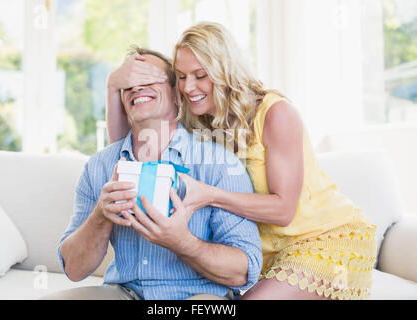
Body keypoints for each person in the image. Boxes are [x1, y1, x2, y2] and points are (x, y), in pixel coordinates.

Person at [106, 23, 377, 300]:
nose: (188, 88)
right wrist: (113, 85)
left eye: (201, 75)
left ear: (225, 72)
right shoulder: (198, 116)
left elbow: (284, 210)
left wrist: (209, 195)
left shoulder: (275, 113)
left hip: (326, 240)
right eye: (182, 76)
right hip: (268, 255)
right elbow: (127, 145)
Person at [43, 47, 262, 300]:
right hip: (124, 293)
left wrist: (182, 243)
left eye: (148, 80)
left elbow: (244, 271)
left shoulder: (218, 163)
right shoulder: (100, 167)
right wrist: (100, 217)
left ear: (177, 96)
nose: (136, 88)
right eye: (128, 84)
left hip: (198, 295)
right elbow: (73, 268)